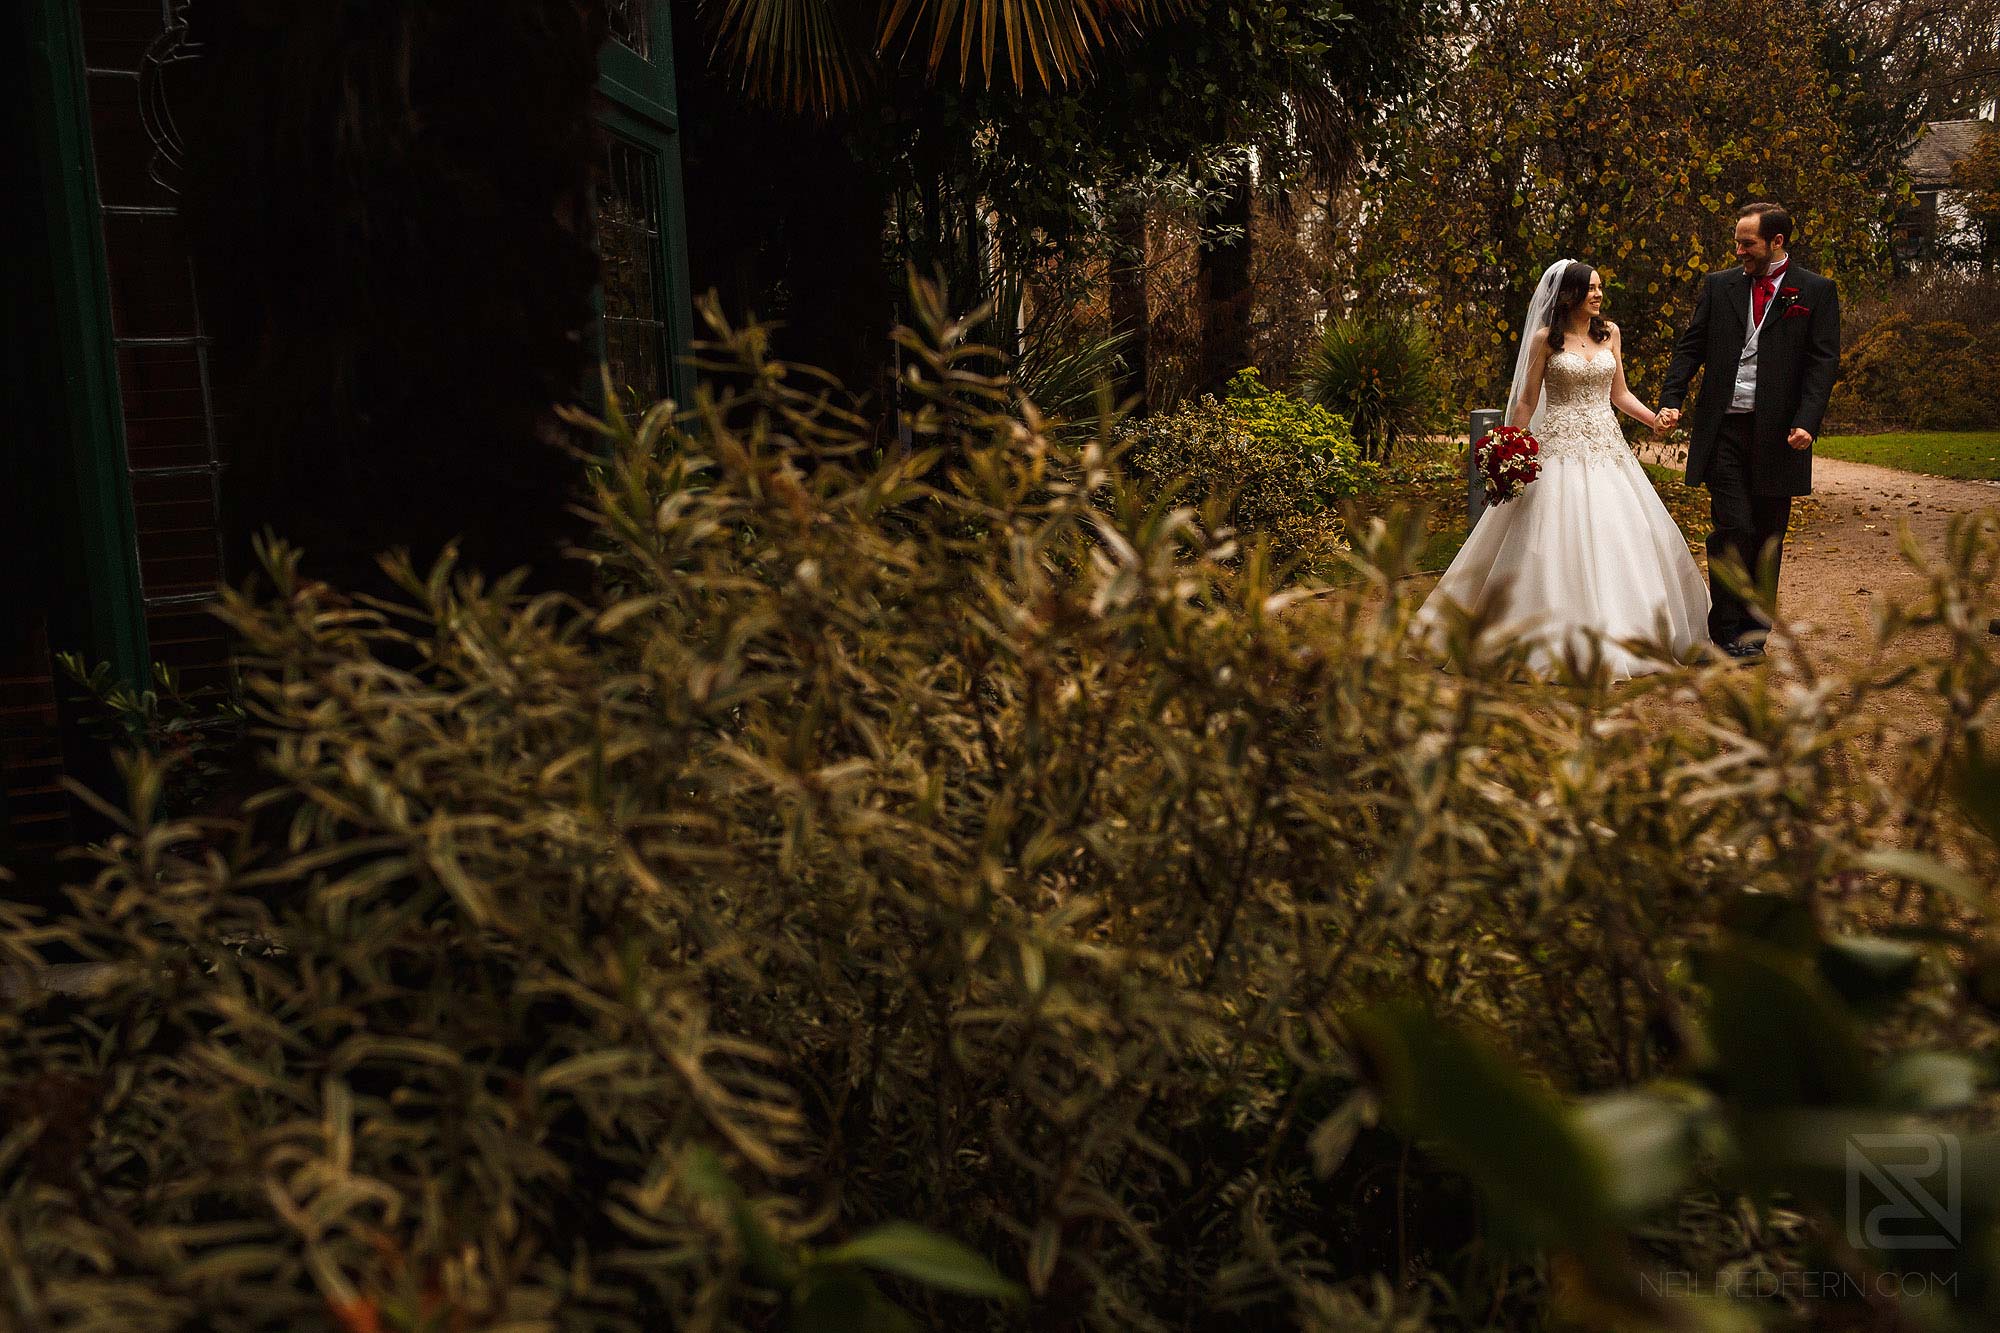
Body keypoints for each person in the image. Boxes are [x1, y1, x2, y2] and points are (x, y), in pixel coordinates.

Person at [1418, 259, 1709, 681]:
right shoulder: (1545, 340)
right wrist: (1508, 448)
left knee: (1621, 536)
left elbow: (1619, 393)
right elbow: (1526, 402)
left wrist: (1653, 420)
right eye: (1590, 288)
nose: (1598, 295)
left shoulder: (1610, 334)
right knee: (1547, 534)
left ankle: (1629, 636)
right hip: (1558, 450)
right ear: (1569, 294)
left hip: (1607, 449)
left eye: (1600, 287)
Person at [1657, 202, 1841, 659]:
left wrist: (1807, 421)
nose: (1739, 250)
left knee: (1768, 535)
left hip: (1780, 433)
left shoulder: (1815, 291)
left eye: (1748, 243)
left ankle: (1755, 634)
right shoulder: (1720, 286)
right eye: (1737, 242)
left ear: (1776, 242)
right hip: (1724, 429)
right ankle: (1725, 630)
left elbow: (1823, 363)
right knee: (1732, 526)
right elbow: (1692, 345)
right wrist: (1672, 398)